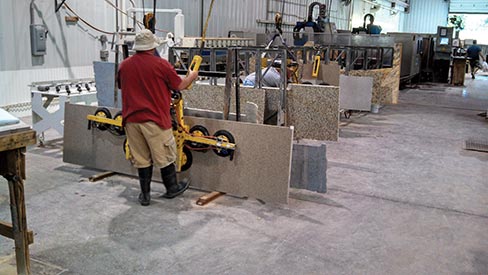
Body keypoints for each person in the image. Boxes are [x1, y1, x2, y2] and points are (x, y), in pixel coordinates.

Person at [118, 29, 198, 206]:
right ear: (152, 46)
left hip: (131, 120)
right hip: (155, 120)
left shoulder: (124, 65)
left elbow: (122, 86)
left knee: (141, 157)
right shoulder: (161, 65)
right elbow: (180, 85)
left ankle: (145, 195)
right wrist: (192, 76)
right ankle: (171, 188)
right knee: (165, 156)